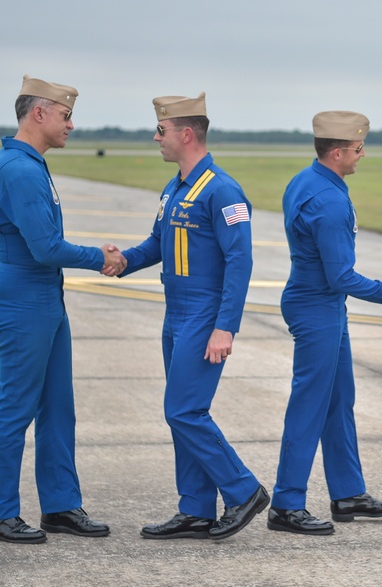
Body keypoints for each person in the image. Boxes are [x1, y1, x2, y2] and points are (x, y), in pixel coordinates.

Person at [268, 111, 382, 535]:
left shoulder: (304, 181)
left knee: (339, 400)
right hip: (317, 308)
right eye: (359, 149)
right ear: (339, 151)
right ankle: (287, 504)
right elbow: (340, 276)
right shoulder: (329, 201)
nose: (363, 155)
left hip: (321, 305)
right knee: (309, 406)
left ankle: (348, 493)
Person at [0, 75, 123, 544]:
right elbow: (45, 247)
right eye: (65, 115)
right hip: (24, 298)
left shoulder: (29, 163)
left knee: (58, 407)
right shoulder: (19, 170)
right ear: (38, 113)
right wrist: (98, 256)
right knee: (16, 406)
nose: (72, 125)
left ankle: (60, 505)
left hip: (44, 298)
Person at [119, 93, 268, 540]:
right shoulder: (175, 187)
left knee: (183, 410)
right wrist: (120, 261)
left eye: (161, 130)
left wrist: (225, 327)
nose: (155, 137)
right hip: (175, 310)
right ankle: (196, 508)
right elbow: (155, 244)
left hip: (204, 312)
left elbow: (240, 261)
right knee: (182, 411)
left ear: (186, 134)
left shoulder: (222, 189)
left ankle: (243, 490)